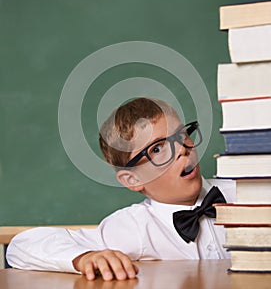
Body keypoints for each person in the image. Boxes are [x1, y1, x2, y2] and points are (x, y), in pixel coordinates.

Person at [6, 97, 235, 281]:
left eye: (181, 135)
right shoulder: (132, 227)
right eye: (157, 149)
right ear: (132, 179)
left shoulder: (244, 191)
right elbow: (21, 246)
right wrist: (85, 258)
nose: (181, 150)